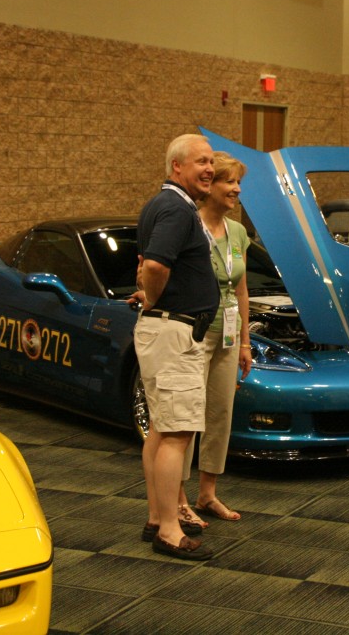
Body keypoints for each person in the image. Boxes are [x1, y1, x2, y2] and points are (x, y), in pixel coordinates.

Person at [135, 133, 220, 560]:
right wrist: (153, 298)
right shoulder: (175, 207)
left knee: (161, 429)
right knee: (176, 434)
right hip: (173, 333)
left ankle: (157, 517)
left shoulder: (166, 204)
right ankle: (169, 530)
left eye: (211, 162)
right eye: (201, 162)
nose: (210, 169)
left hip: (167, 331)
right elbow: (153, 265)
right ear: (177, 167)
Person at [177, 152, 252, 524]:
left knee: (220, 413)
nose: (236, 189)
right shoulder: (187, 226)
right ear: (210, 186)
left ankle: (207, 494)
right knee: (185, 417)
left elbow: (240, 290)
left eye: (238, 182)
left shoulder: (237, 232)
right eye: (229, 182)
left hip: (228, 333)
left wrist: (244, 342)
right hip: (193, 331)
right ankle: (177, 498)